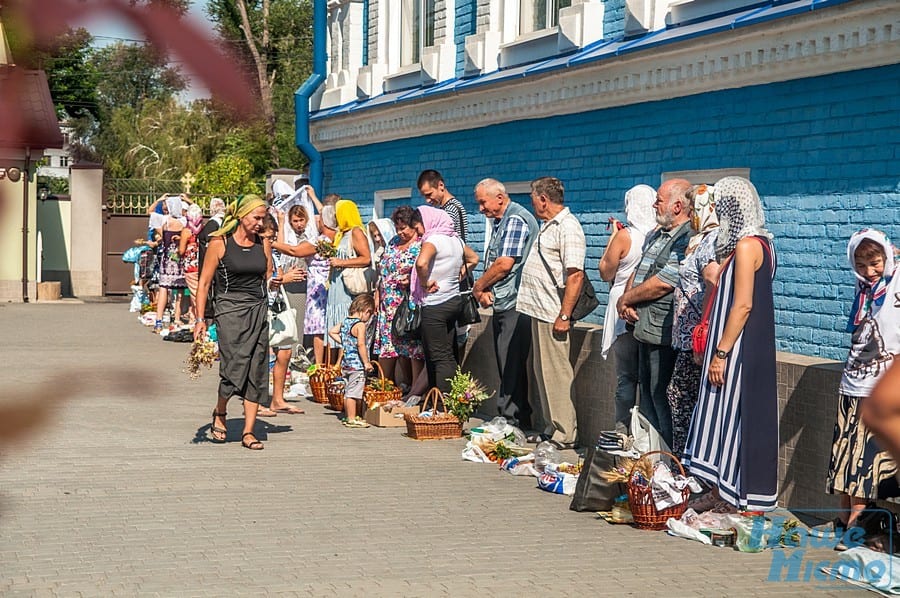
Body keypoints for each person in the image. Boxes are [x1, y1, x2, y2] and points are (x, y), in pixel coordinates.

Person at [682, 176, 778, 511]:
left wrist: (721, 352)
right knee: (737, 416)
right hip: (750, 346)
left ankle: (730, 492)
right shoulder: (763, 245)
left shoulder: (747, 246)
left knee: (729, 414)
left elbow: (743, 304)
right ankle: (724, 491)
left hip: (736, 348)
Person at [826, 229, 898, 532]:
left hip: (882, 384)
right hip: (853, 380)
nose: (869, 271)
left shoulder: (895, 281)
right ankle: (844, 518)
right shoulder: (864, 287)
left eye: (875, 263)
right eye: (861, 264)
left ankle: (858, 523)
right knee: (843, 453)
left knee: (865, 460)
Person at [193, 195, 276, 450]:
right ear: (241, 216)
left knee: (257, 369)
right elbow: (204, 283)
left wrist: (278, 281)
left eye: (263, 218)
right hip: (229, 310)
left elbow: (268, 276)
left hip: (258, 310)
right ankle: (220, 411)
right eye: (256, 218)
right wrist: (199, 319)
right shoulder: (220, 243)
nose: (260, 223)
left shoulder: (263, 243)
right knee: (233, 366)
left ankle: (249, 431)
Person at [616, 179, 693, 448]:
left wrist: (627, 298)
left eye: (659, 200)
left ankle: (667, 454)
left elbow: (665, 281)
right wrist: (626, 302)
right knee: (645, 391)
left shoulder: (686, 237)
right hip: (642, 326)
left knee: (660, 393)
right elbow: (640, 270)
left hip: (663, 328)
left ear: (678, 205)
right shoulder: (657, 233)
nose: (654, 204)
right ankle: (649, 452)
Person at [515, 177, 587, 450]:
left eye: (533, 197)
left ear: (543, 199)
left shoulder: (568, 227)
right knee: (542, 372)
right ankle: (550, 427)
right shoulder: (549, 226)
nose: (532, 203)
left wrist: (565, 315)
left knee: (556, 373)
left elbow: (575, 274)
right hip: (539, 309)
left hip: (552, 311)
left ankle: (565, 433)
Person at [471, 178, 539, 428]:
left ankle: (514, 418)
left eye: (482, 202)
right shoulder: (502, 222)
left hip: (515, 304)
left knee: (511, 361)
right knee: (506, 360)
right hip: (506, 301)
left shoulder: (515, 220)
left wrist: (480, 285)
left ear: (499, 197)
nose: (480, 209)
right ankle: (512, 416)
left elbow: (504, 264)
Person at [665, 184, 720, 456]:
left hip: (697, 339)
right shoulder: (699, 238)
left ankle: (688, 463)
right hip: (688, 337)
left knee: (681, 396)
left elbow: (712, 280)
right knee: (681, 397)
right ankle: (685, 460)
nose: (691, 214)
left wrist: (704, 327)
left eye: (695, 208)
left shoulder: (711, 240)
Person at [598, 184, 657, 431]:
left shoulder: (626, 236)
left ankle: (621, 430)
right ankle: (644, 431)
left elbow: (605, 271)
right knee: (645, 378)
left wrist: (613, 236)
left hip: (622, 305)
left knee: (626, 376)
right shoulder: (657, 235)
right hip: (648, 308)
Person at [411, 206, 479, 394]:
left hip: (435, 303)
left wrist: (424, 283)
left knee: (438, 356)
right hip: (453, 300)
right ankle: (441, 399)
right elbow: (474, 258)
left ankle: (443, 405)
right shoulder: (455, 240)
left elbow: (421, 263)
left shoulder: (433, 239)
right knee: (447, 352)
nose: (418, 234)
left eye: (418, 228)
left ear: (427, 221)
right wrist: (460, 274)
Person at [261, 213, 306, 415]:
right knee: (260, 354)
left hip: (278, 304)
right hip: (261, 305)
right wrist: (285, 278)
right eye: (268, 238)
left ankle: (277, 399)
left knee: (285, 351)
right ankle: (258, 401)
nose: (271, 241)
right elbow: (259, 281)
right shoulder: (255, 253)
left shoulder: (275, 253)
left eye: (273, 237)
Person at [325, 200, 374, 354]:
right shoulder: (341, 233)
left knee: (345, 322)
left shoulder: (356, 232)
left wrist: (342, 262)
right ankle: (333, 367)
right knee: (335, 325)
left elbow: (366, 258)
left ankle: (344, 363)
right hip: (336, 286)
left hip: (347, 288)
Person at [329, 293, 377, 428]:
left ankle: (352, 415)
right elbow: (361, 345)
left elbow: (332, 332)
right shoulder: (360, 325)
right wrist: (366, 362)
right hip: (357, 365)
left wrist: (345, 343)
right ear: (366, 311)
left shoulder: (345, 322)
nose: (369, 318)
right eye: (370, 314)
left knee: (349, 391)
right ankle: (351, 418)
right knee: (353, 393)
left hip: (346, 364)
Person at [152, 194, 192, 330]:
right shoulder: (185, 222)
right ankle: (177, 318)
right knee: (180, 290)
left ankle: (159, 320)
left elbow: (150, 212)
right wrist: (187, 200)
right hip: (180, 258)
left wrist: (159, 200)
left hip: (167, 258)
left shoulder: (165, 220)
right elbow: (197, 212)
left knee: (164, 287)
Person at [417, 169, 469, 242]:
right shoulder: (447, 208)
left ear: (441, 185)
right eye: (425, 196)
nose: (427, 200)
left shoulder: (451, 209)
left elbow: (442, 239)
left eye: (429, 194)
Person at [197, 197, 226, 323]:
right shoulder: (226, 223)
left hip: (211, 265)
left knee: (213, 292)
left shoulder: (212, 224)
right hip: (224, 264)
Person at [179, 203, 204, 325]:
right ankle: (194, 317)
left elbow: (181, 250)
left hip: (191, 266)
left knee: (195, 294)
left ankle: (199, 319)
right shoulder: (203, 229)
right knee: (201, 290)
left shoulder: (186, 231)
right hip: (202, 263)